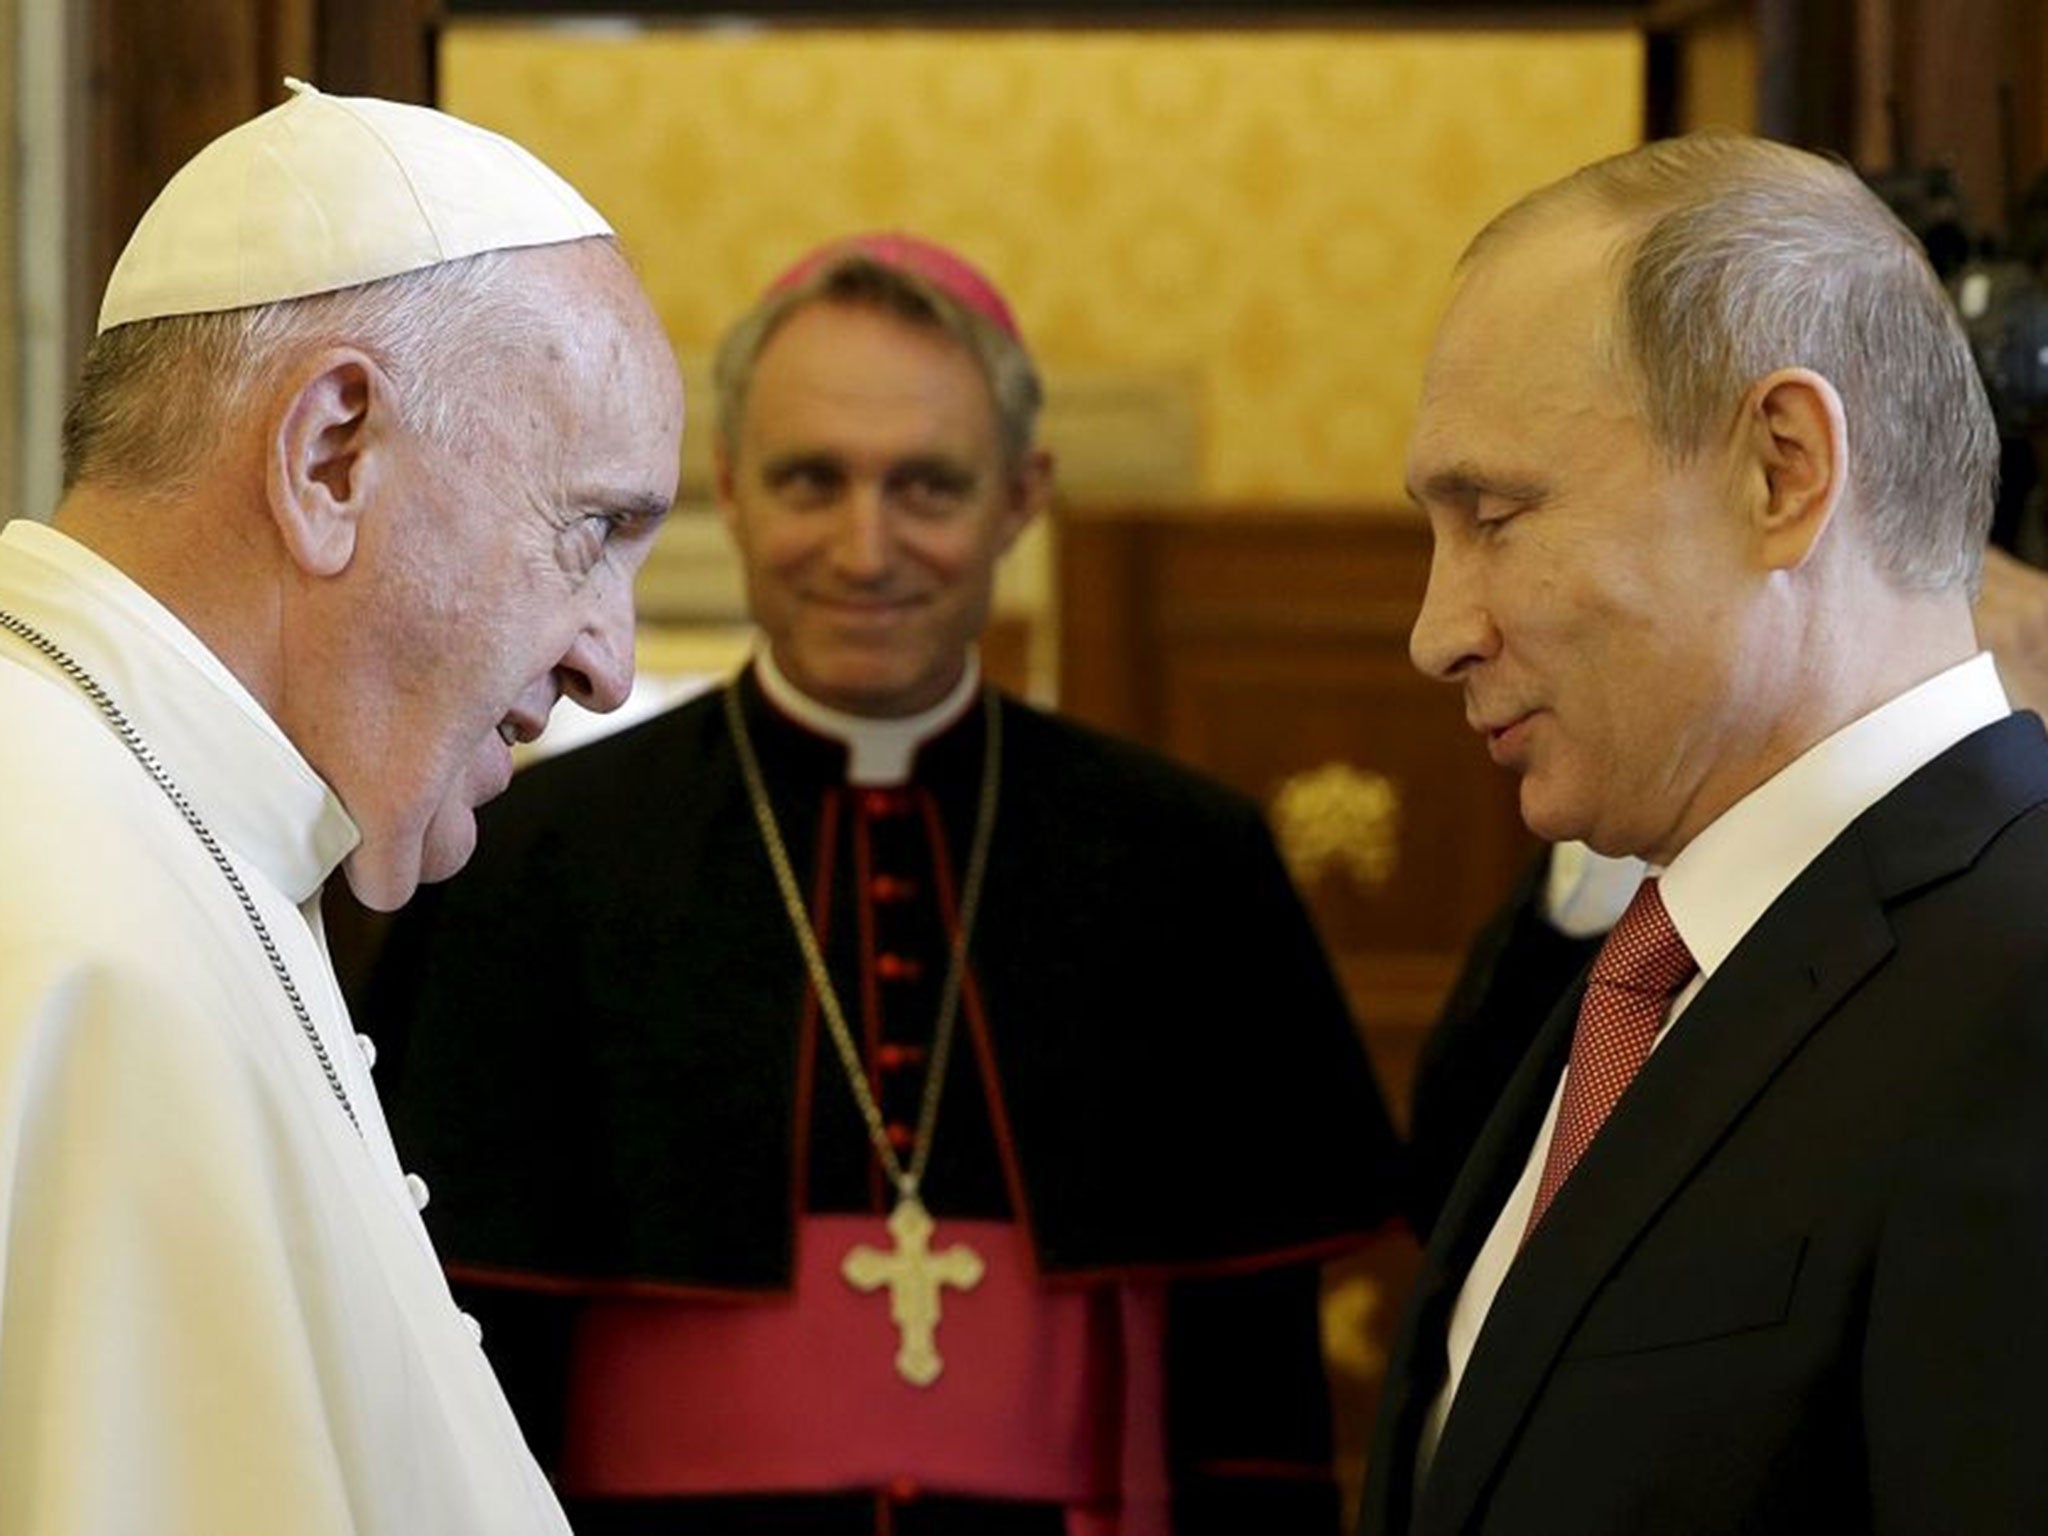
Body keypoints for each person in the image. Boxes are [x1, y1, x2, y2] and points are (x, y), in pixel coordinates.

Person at [365, 231, 1401, 1535]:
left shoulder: (1184, 863)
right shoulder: (533, 862)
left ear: (1021, 495)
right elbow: (466, 1372)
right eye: (813, 481)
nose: (866, 548)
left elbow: (1254, 1406)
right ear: (730, 487)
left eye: (927, 486)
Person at [0, 81, 684, 1535]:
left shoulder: (162, 827)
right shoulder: (81, 920)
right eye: (594, 530)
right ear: (330, 457)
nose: (611, 665)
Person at [1363, 133, 2048, 1535]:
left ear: (1782, 470)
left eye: (1496, 515)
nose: (1438, 634)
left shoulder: (2024, 980)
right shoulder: (1658, 965)